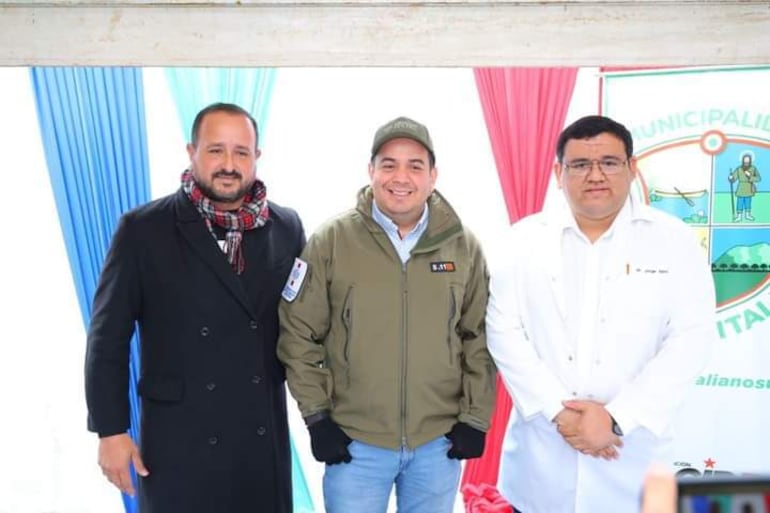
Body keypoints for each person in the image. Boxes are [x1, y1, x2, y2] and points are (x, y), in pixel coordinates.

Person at [486, 115, 717, 513]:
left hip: (634, 465)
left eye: (609, 162)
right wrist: (559, 412)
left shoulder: (674, 241)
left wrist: (615, 419)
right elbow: (502, 331)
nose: (595, 175)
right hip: (541, 462)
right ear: (559, 173)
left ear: (632, 168)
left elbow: (691, 339)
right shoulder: (521, 240)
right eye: (579, 165)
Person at [85, 102, 305, 513]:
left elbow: (304, 327)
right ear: (192, 152)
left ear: (256, 157)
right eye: (216, 150)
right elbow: (107, 338)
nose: (229, 164)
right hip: (179, 439)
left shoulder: (287, 226)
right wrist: (111, 431)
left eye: (241, 152)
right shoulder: (143, 229)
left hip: (258, 434)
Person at [277, 116, 496, 513]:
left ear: (433, 176)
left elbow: (478, 335)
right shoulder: (331, 242)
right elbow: (297, 332)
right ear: (371, 171)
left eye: (415, 165)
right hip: (355, 443)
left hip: (438, 444)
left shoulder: (463, 247)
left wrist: (475, 417)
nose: (401, 177)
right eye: (389, 164)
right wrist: (317, 417)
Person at [729, 153, 761, 222]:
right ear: (743, 161)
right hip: (740, 188)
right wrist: (731, 178)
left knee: (748, 203)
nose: (746, 163)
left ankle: (748, 215)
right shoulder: (739, 169)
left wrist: (750, 176)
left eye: (748, 161)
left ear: (750, 161)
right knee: (739, 203)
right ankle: (739, 216)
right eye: (745, 161)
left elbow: (758, 178)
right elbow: (733, 178)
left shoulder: (753, 168)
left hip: (749, 188)